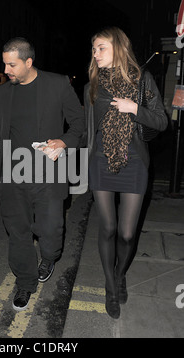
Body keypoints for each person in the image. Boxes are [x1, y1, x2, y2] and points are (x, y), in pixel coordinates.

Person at [0, 37, 84, 311]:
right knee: (18, 233)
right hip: (11, 175)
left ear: (29, 62)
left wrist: (63, 142)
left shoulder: (57, 84)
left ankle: (50, 257)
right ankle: (25, 283)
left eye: (12, 64)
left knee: (50, 232)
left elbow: (79, 123)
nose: (6, 70)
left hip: (49, 174)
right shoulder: (2, 94)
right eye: (4, 63)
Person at [84, 27, 168, 318]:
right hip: (101, 161)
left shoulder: (142, 81)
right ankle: (111, 286)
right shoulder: (92, 86)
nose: (96, 54)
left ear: (118, 48)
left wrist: (135, 108)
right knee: (107, 227)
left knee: (127, 233)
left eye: (101, 48)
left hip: (134, 161)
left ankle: (121, 275)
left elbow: (161, 121)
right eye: (94, 49)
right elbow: (88, 130)